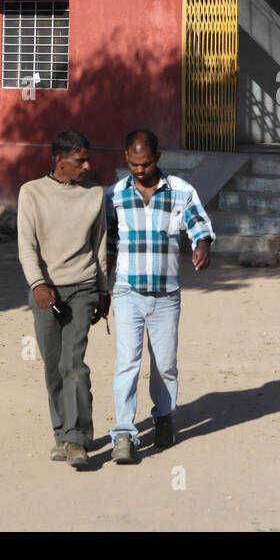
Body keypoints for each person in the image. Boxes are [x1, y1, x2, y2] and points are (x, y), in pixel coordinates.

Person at [105, 128, 214, 464]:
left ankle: (164, 418)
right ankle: (124, 433)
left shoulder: (180, 191)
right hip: (127, 292)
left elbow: (199, 224)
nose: (140, 170)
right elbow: (108, 242)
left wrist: (202, 244)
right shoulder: (113, 195)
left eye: (147, 163)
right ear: (126, 157)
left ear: (158, 157)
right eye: (135, 164)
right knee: (127, 364)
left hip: (166, 295)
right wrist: (102, 286)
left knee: (165, 365)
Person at [17, 130, 110, 469]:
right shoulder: (32, 193)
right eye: (80, 159)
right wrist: (39, 284)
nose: (88, 165)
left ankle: (77, 437)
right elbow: (27, 245)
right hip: (45, 293)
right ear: (59, 160)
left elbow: (100, 246)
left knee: (74, 364)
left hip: (82, 288)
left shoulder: (95, 195)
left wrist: (103, 290)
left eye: (88, 158)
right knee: (53, 368)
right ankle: (61, 434)